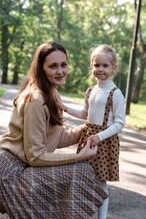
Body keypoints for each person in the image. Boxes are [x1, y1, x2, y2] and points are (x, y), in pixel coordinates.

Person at [0, 42, 108, 219]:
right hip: (10, 173)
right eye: (53, 66)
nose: (60, 71)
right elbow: (35, 156)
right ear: (41, 69)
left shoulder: (51, 93)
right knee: (80, 171)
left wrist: (94, 129)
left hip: (24, 167)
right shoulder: (35, 99)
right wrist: (78, 156)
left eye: (63, 65)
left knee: (81, 169)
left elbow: (58, 138)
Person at [58, 44, 125, 219]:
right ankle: (81, 213)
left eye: (105, 66)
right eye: (96, 65)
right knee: (83, 177)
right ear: (91, 66)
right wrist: (65, 108)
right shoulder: (91, 90)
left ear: (113, 68)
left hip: (104, 141)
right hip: (88, 139)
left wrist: (99, 136)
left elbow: (119, 123)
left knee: (100, 183)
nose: (100, 69)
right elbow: (84, 114)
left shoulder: (115, 93)